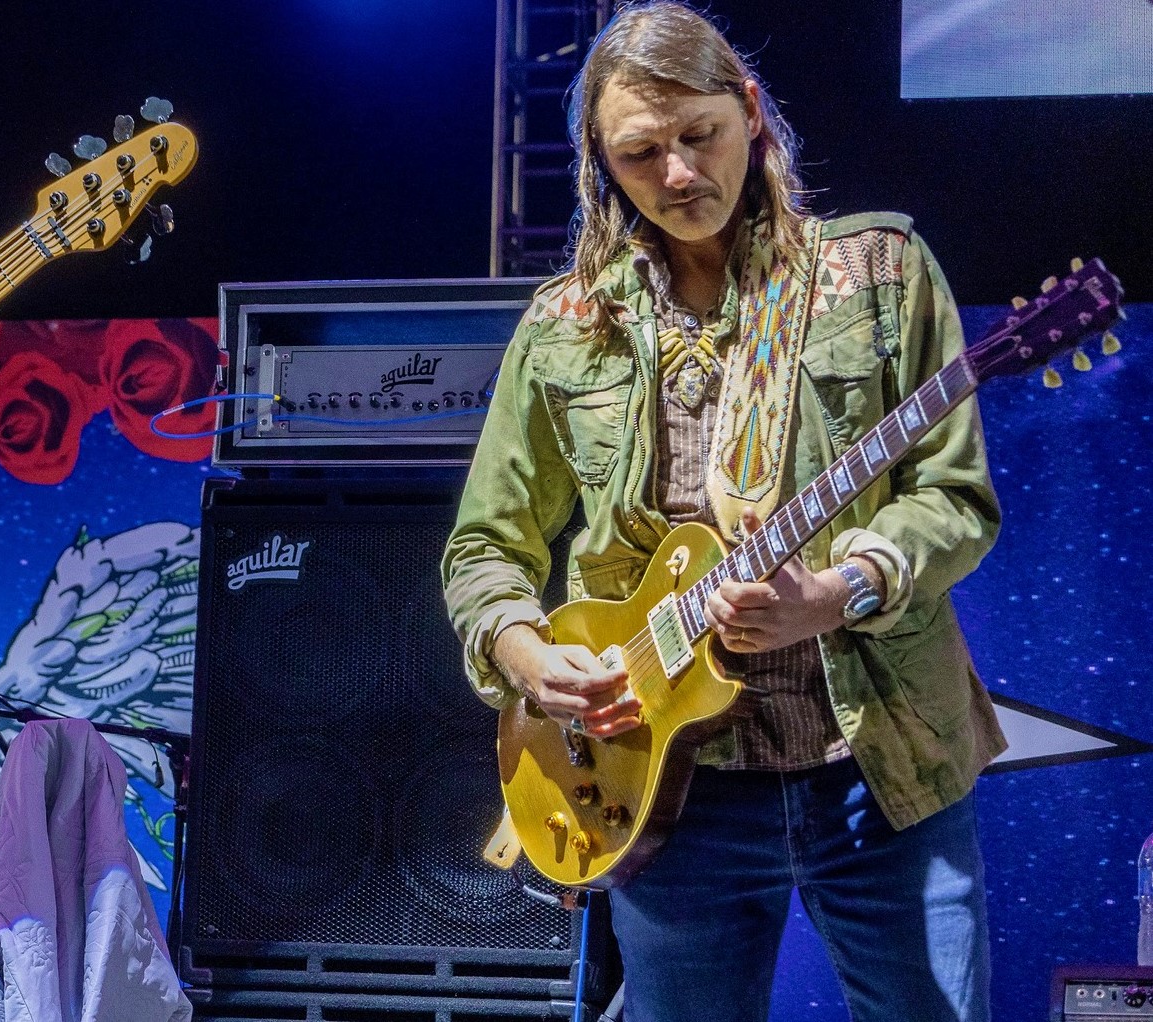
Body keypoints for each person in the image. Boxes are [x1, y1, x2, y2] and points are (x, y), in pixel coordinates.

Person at [441, 4, 1005, 1020]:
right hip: (668, 787)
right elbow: (487, 545)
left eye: (698, 135)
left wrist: (839, 589)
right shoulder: (567, 326)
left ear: (750, 111)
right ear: (602, 165)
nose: (678, 175)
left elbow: (954, 497)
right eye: (641, 153)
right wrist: (526, 655)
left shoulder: (878, 275)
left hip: (876, 766)